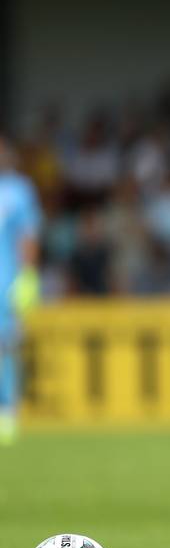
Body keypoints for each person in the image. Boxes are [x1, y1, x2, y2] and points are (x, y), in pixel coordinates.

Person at [0, 137, 42, 446]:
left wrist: (27, 275)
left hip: (5, 279)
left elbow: (27, 234)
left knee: (5, 346)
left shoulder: (18, 190)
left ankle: (8, 412)